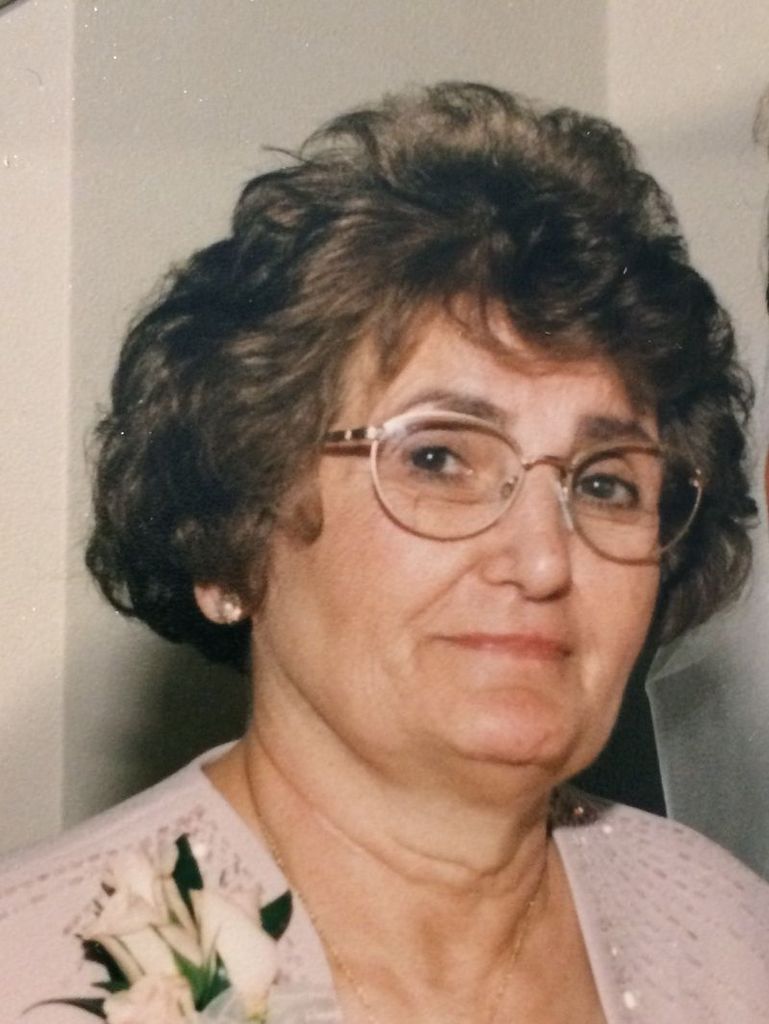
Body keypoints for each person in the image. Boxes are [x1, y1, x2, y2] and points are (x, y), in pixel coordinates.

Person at [1, 82, 767, 1024]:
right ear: (233, 537)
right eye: (437, 459)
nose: (542, 561)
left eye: (605, 483)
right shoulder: (35, 978)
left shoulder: (734, 947)